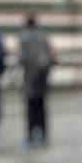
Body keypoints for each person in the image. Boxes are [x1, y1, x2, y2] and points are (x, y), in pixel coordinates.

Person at [19, 15, 54, 146]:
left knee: (30, 109)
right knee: (42, 108)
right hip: (43, 78)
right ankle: (44, 136)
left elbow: (22, 58)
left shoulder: (25, 37)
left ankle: (31, 137)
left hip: (30, 79)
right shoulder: (43, 36)